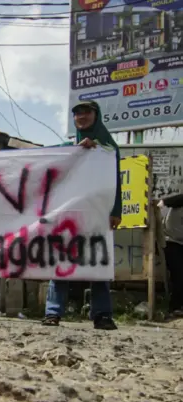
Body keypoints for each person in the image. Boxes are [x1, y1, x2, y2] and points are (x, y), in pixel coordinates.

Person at [42, 100, 121, 330]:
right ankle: (53, 312)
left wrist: (116, 210)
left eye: (86, 112)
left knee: (98, 261)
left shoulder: (108, 149)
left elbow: (117, 181)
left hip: (98, 214)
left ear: (97, 116)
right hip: (70, 215)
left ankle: (102, 314)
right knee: (61, 261)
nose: (81, 117)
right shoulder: (69, 147)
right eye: (77, 113)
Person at [159, 193, 183, 316]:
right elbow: (163, 202)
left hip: (176, 241)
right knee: (178, 275)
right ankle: (175, 307)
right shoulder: (176, 202)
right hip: (173, 243)